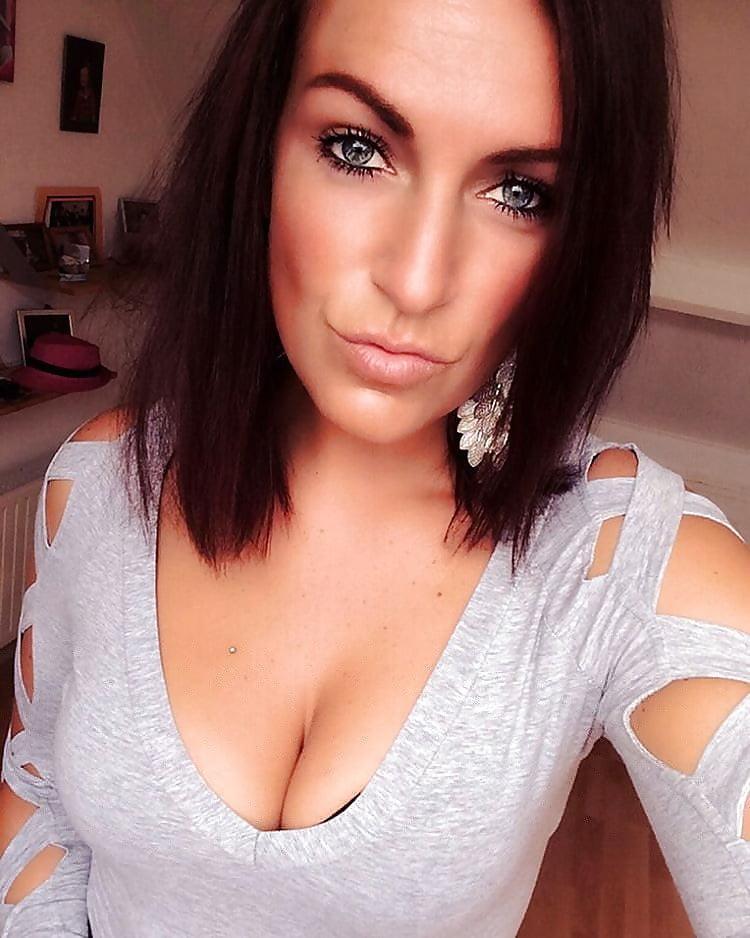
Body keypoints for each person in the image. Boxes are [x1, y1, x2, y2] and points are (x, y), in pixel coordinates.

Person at [1, 0, 749, 935]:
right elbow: (36, 785)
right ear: (258, 148)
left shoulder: (623, 564)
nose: (418, 279)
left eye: (520, 193)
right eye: (357, 148)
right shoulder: (102, 484)